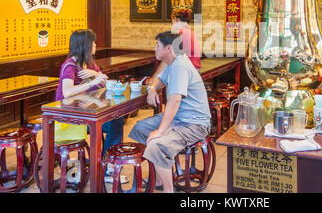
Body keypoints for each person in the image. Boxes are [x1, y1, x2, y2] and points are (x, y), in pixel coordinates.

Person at [129, 31, 211, 193]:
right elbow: (160, 80)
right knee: (140, 128)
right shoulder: (173, 63)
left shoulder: (180, 65)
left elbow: (175, 100)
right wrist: (152, 88)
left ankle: (168, 189)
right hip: (179, 119)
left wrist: (161, 131)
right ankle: (159, 177)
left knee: (156, 144)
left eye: (157, 45)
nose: (155, 49)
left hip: (193, 123)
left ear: (168, 48)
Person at [55, 29, 126, 182]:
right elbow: (67, 92)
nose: (95, 45)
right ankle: (106, 167)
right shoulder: (70, 66)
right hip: (72, 118)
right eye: (93, 42)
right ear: (85, 45)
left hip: (89, 114)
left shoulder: (89, 65)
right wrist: (93, 82)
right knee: (113, 123)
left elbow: (105, 82)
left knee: (117, 120)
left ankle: (107, 165)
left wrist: (95, 75)